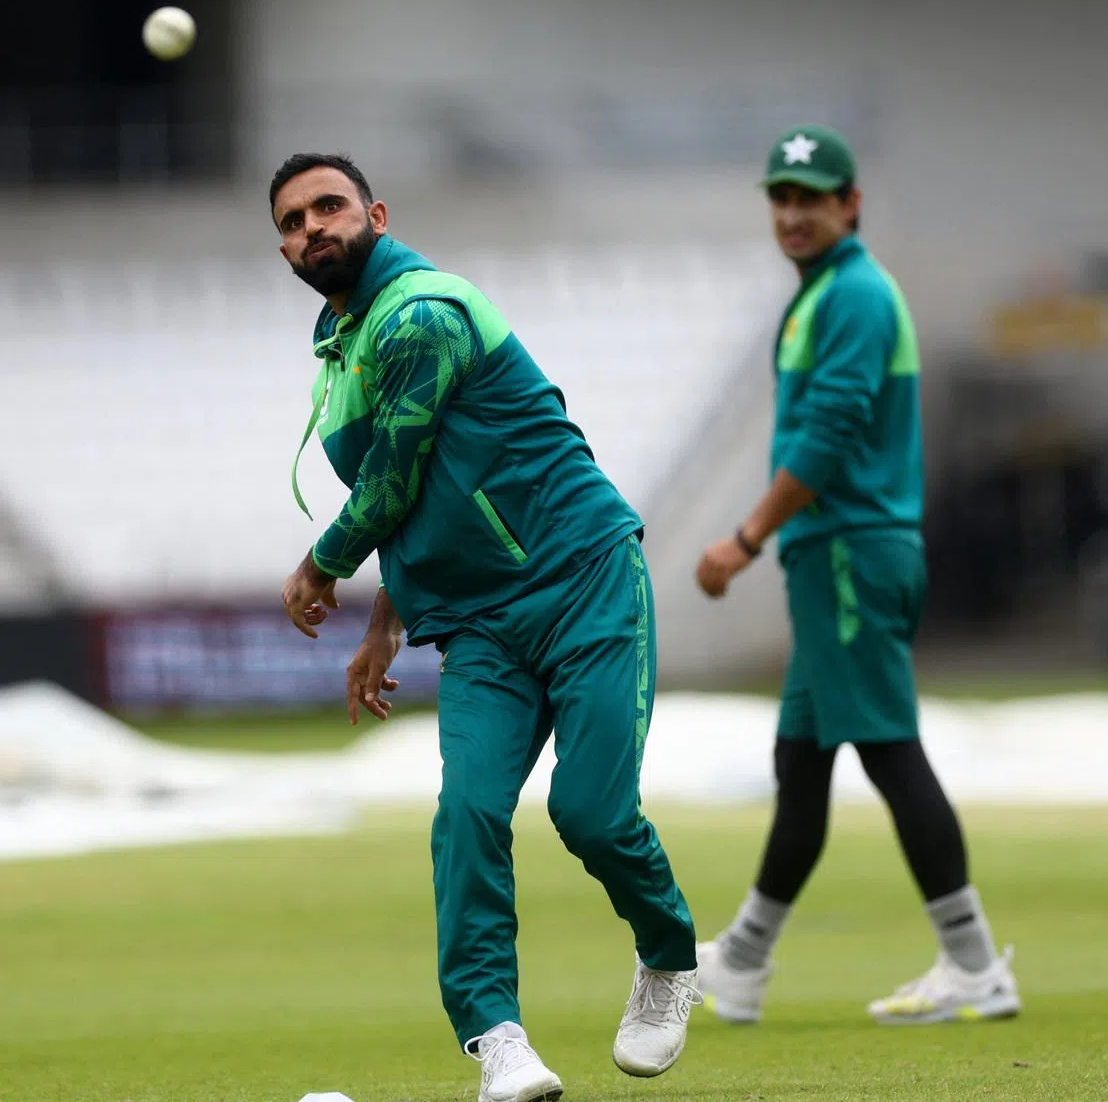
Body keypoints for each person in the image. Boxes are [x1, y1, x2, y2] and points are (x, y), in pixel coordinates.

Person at [271, 152, 700, 1102]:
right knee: (466, 817)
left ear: (376, 213)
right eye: (292, 223)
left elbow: (388, 477)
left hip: (583, 579)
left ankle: (670, 956)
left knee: (589, 814)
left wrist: (322, 565)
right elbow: (422, 494)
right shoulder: (341, 347)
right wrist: (386, 622)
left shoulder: (423, 312)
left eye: (328, 207)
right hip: (478, 625)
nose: (312, 230)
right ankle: (498, 1042)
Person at [693, 126, 1021, 1026]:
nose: (794, 215)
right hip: (839, 559)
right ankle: (745, 961)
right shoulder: (831, 293)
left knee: (887, 749)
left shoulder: (854, 297)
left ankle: (975, 963)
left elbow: (829, 437)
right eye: (782, 198)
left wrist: (745, 538)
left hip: (847, 554)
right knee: (801, 761)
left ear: (852, 204)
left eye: (813, 198)